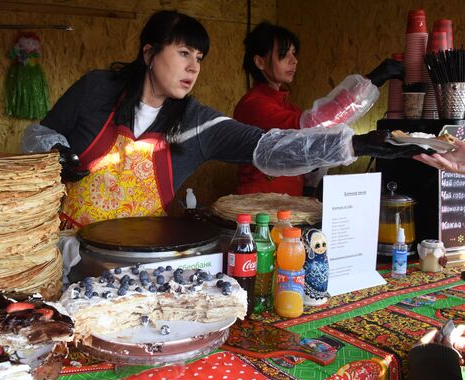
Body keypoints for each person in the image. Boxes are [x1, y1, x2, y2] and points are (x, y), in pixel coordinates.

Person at [21, 10, 424, 229]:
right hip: (66, 248)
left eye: (199, 58)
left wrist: (354, 144)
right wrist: (53, 152)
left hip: (140, 253)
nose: (193, 67)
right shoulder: (97, 89)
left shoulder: (196, 122)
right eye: (183, 53)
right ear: (148, 54)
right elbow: (41, 134)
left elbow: (272, 146)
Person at [234, 22, 405, 196]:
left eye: (294, 53)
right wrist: (371, 81)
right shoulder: (253, 105)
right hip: (258, 208)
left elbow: (310, 145)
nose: (294, 61)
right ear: (260, 62)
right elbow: (314, 126)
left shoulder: (288, 106)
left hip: (289, 208)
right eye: (284, 54)